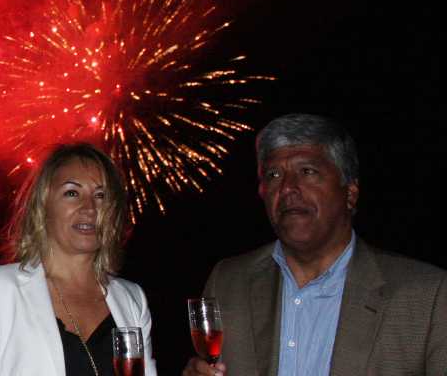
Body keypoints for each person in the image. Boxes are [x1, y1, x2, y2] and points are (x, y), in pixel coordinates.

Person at [183, 113, 447, 376]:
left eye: (307, 172)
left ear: (350, 194)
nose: (287, 188)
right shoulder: (229, 282)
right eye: (274, 175)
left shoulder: (427, 297)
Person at [0, 143, 157, 376]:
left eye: (100, 195)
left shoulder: (132, 299)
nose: (89, 208)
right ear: (43, 205)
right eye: (71, 193)